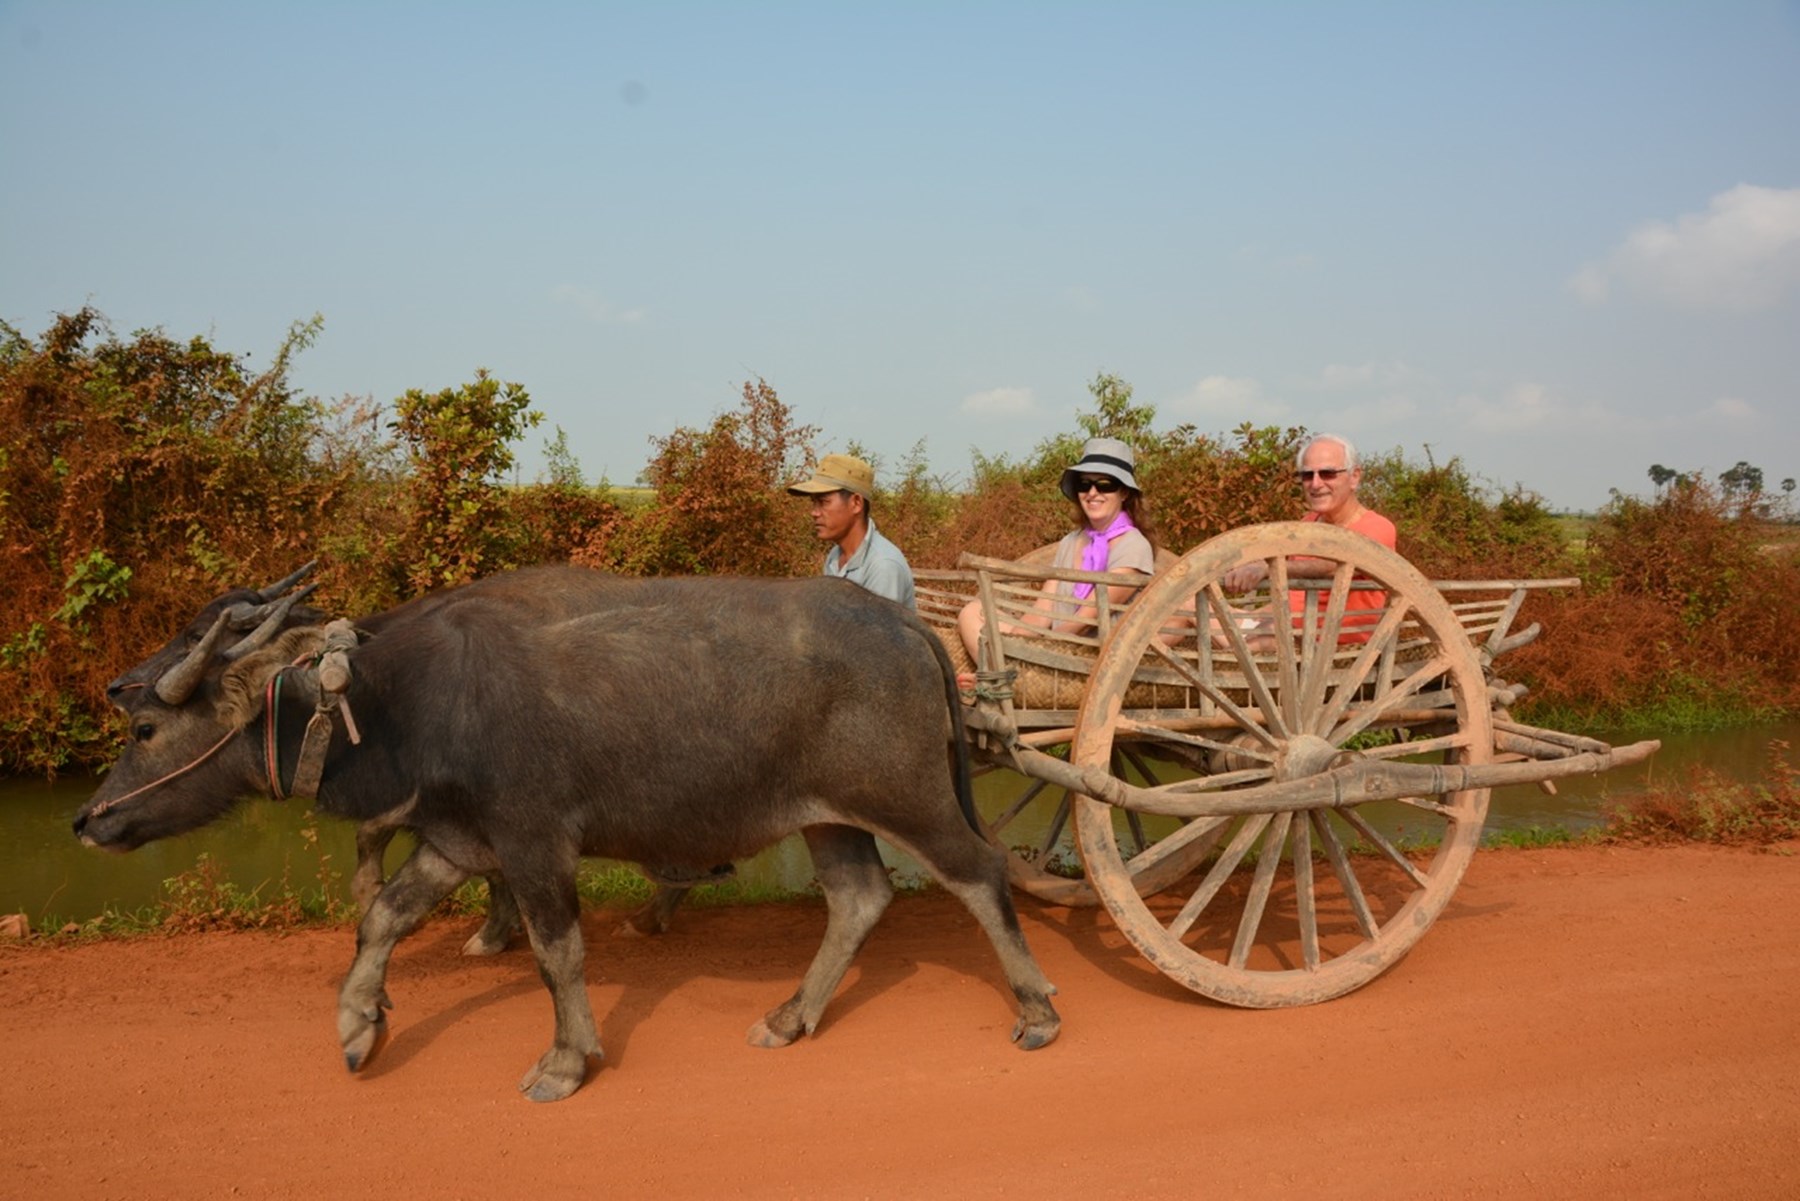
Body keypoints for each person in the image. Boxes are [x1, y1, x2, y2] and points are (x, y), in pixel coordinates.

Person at [957, 436, 1158, 667]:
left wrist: (1042, 647)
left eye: (1105, 484)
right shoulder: (1071, 542)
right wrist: (1016, 639)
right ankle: (1001, 669)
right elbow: (1045, 607)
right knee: (973, 612)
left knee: (1012, 647)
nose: (1092, 493)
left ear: (1124, 493)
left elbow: (1088, 617)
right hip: (1052, 642)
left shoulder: (1133, 545)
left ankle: (1003, 672)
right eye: (1084, 484)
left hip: (1094, 653)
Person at [1220, 433, 1396, 642]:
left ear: (1354, 477)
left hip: (1328, 641)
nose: (1315, 484)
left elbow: (1333, 565)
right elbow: (1294, 594)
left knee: (1218, 629)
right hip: (1286, 627)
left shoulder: (1378, 527)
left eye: (1327, 473)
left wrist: (1268, 569)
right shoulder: (1310, 522)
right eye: (1307, 475)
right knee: (1187, 604)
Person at [786, 453, 916, 608]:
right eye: (814, 503)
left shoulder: (883, 566)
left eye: (823, 502)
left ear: (856, 503)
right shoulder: (835, 557)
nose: (814, 512)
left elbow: (874, 631)